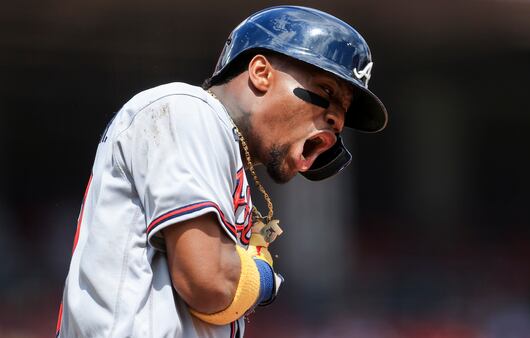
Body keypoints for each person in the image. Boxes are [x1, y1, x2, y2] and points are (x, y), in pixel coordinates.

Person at [56, 5, 388, 338]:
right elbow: (207, 282)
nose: (338, 120)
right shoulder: (188, 108)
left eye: (342, 111)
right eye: (326, 92)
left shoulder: (223, 150)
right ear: (260, 72)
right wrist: (264, 278)